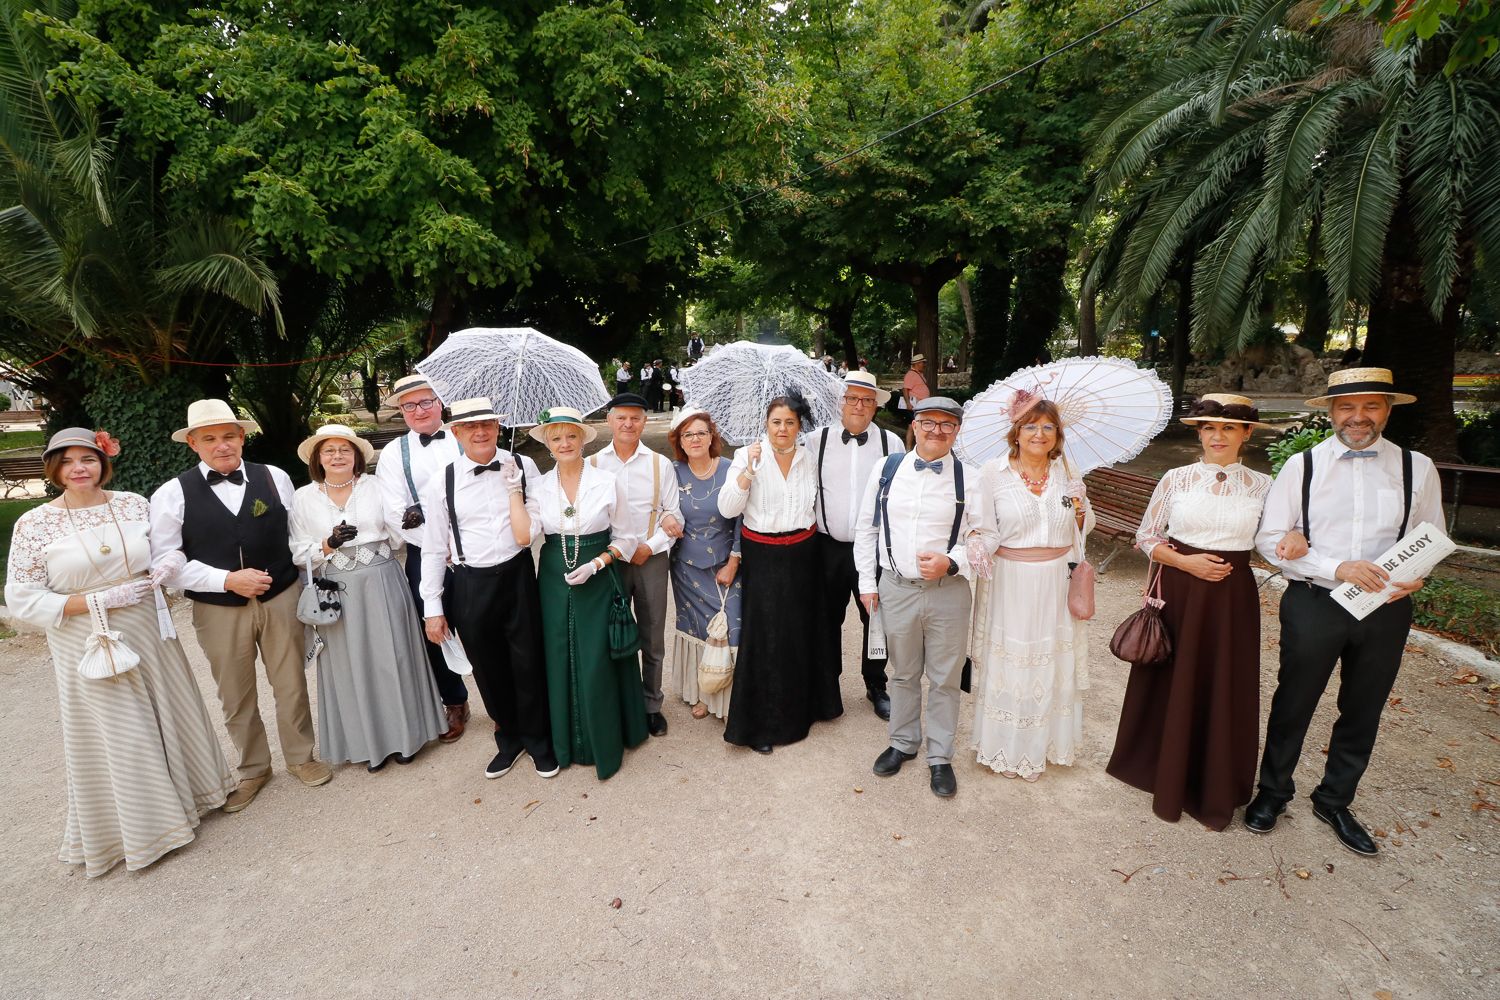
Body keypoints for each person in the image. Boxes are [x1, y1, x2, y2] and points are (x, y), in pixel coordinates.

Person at [5, 429, 234, 877]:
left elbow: (165, 551)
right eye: (68, 461)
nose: (79, 468)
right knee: (120, 730)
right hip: (86, 635)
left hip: (148, 625)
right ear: (54, 470)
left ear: (102, 461)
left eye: (87, 459)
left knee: (171, 711)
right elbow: (22, 597)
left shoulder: (133, 503)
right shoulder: (33, 524)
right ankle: (146, 830)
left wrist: (167, 564)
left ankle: (197, 798)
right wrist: (94, 602)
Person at [1246, 369, 1444, 856]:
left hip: (1386, 606)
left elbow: (1432, 536)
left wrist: (1419, 575)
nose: (1358, 418)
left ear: (1388, 410)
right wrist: (1337, 566)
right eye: (1347, 408)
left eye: (1370, 406)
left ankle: (1335, 799)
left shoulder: (1418, 467)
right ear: (1330, 412)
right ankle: (1273, 792)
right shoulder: (1302, 466)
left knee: (1363, 707)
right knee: (1294, 700)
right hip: (1316, 600)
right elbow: (1270, 539)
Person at [1105, 394, 1289, 829]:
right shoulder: (1177, 479)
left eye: (1228, 428)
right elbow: (1147, 537)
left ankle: (1214, 781)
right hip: (1180, 590)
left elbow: (1269, 543)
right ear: (1200, 433)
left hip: (1231, 598)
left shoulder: (1263, 486)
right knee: (1173, 677)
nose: (1217, 436)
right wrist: (1185, 561)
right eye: (1209, 427)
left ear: (1246, 434)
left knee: (1223, 682)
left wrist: (1293, 544)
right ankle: (1160, 773)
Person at [150, 399, 329, 811]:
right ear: (193, 443)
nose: (222, 445)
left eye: (229, 436)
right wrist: (227, 580)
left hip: (281, 596)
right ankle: (253, 768)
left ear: (242, 438)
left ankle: (301, 757)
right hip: (217, 609)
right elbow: (166, 564)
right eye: (209, 438)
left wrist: (305, 589)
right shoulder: (172, 494)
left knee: (291, 684)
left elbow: (293, 537)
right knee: (235, 693)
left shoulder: (275, 478)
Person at [290, 425, 446, 772]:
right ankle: (368, 744)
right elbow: (296, 550)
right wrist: (328, 543)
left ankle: (406, 737)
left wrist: (412, 519)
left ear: (357, 456)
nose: (337, 456)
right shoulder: (303, 497)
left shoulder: (376, 487)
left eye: (345, 450)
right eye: (328, 450)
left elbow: (399, 531)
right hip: (336, 588)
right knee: (351, 665)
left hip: (382, 580)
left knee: (395, 656)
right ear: (317, 458)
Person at [419, 397, 556, 780]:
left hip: (518, 574)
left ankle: (539, 739)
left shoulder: (524, 466)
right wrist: (433, 607)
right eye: (471, 427)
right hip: (469, 582)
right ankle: (509, 740)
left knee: (528, 661)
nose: (481, 432)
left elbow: (537, 525)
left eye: (488, 425)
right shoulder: (442, 480)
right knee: (488, 667)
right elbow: (432, 546)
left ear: (498, 427)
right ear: (457, 433)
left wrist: (518, 495)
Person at [854, 398, 981, 798]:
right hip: (896, 587)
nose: (936, 431)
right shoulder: (886, 469)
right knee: (904, 672)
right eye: (928, 422)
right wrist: (867, 582)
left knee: (945, 678)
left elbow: (984, 538)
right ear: (915, 424)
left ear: (957, 431)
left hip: (949, 593)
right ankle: (903, 743)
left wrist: (952, 560)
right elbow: (866, 529)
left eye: (947, 425)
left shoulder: (971, 479)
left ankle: (940, 756)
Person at [969, 391, 1093, 780]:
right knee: (1014, 662)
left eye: (1048, 427)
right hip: (1011, 582)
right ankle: (1007, 746)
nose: (1040, 434)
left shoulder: (1069, 475)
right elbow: (983, 527)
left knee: (1051, 662)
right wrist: (975, 544)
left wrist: (1081, 511)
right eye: (1031, 426)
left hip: (1056, 582)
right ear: (1016, 433)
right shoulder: (993, 473)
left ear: (1057, 434)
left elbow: (1082, 536)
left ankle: (1043, 745)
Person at [718, 393, 842, 753]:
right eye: (776, 422)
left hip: (804, 553)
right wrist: (747, 472)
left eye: (790, 422)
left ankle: (810, 707)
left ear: (799, 425)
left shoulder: (808, 458)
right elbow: (728, 509)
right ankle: (763, 724)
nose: (783, 429)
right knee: (767, 636)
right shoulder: (747, 455)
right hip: (764, 554)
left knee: (802, 630)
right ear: (766, 424)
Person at [531, 407, 649, 778]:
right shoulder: (537, 487)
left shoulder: (606, 481)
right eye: (556, 438)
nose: (564, 443)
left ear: (582, 440)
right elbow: (524, 536)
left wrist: (598, 563)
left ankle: (607, 739)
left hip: (598, 574)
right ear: (548, 445)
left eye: (570, 436)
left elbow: (628, 538)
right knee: (558, 651)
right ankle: (566, 742)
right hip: (552, 575)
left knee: (597, 655)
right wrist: (508, 493)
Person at [374, 373, 470, 742]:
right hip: (424, 553)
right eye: (409, 405)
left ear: (440, 403)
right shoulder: (394, 455)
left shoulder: (465, 438)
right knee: (435, 628)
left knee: (481, 624)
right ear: (401, 410)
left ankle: (499, 703)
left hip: (473, 550)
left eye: (426, 401)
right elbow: (394, 512)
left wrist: (459, 543)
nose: (418, 410)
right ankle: (454, 700)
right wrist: (439, 545)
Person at [813, 370, 905, 720]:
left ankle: (875, 684)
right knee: (826, 619)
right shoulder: (815, 440)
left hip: (875, 549)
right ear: (840, 402)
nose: (859, 405)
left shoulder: (892, 445)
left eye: (867, 400)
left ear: (875, 406)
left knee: (876, 617)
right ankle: (827, 684)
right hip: (828, 546)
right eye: (852, 398)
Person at [588, 392, 681, 737]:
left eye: (635, 418)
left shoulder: (661, 464)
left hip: (650, 559)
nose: (628, 424)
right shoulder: (592, 464)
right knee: (609, 633)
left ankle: (651, 705)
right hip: (609, 561)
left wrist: (651, 545)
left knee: (652, 635)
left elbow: (673, 513)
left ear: (645, 421)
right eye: (621, 417)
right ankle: (617, 703)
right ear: (609, 420)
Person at [662, 407, 742, 721]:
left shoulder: (731, 469)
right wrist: (666, 515)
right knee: (696, 630)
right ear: (679, 440)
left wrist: (734, 561)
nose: (695, 439)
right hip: (685, 568)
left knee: (732, 628)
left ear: (712, 437)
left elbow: (742, 519)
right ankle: (703, 693)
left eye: (701, 432)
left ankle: (728, 695)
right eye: (687, 434)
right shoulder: (672, 471)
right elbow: (659, 505)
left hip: (725, 565)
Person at [901, 354, 931, 448]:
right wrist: (908, 403)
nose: (924, 365)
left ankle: (914, 446)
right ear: (917, 363)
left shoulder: (919, 374)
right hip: (914, 405)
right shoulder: (911, 374)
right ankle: (909, 448)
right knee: (912, 426)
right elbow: (905, 389)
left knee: (916, 425)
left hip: (920, 405)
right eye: (922, 363)